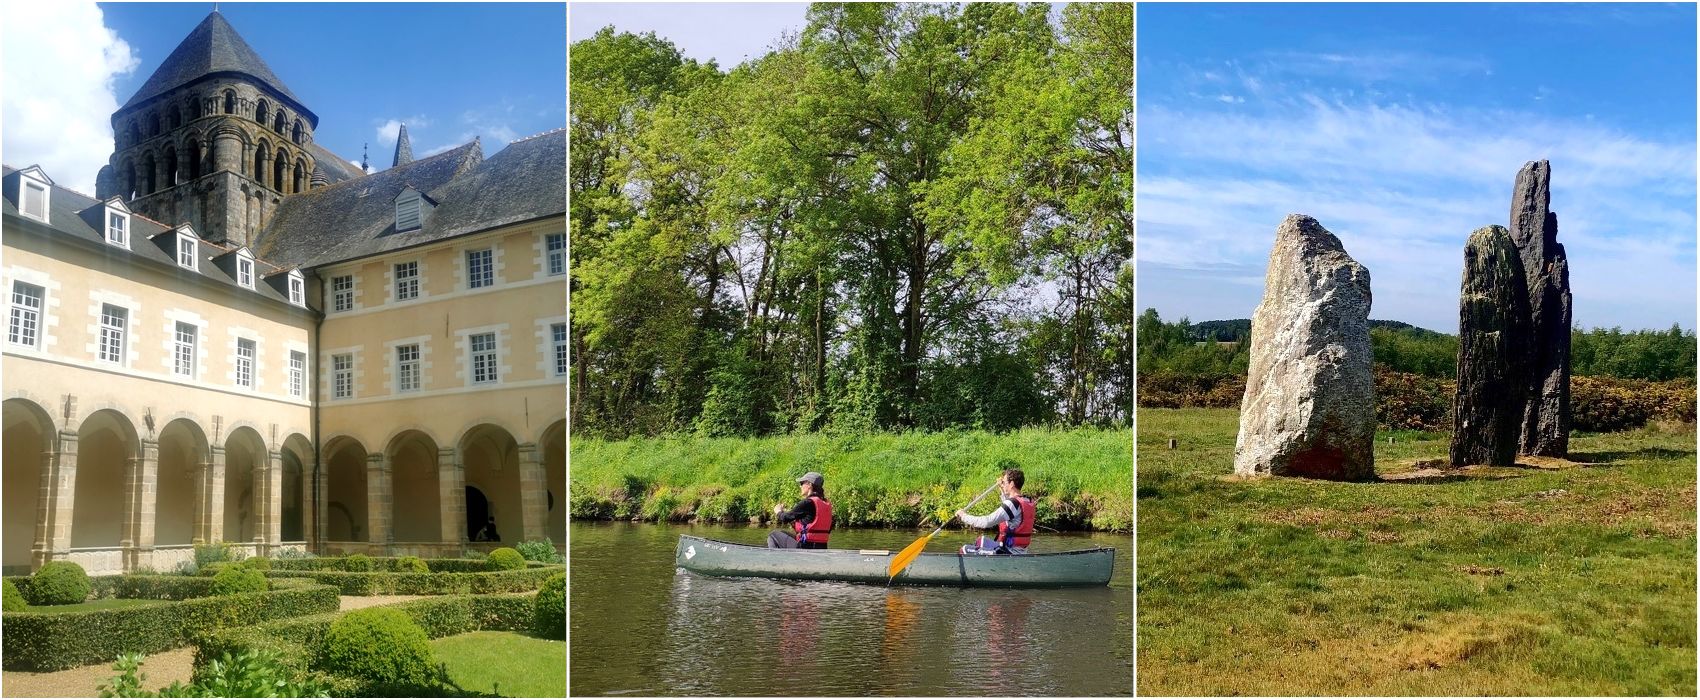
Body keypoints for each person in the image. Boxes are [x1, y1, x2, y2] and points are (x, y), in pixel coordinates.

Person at [956, 468, 1034, 555]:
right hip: (1017, 550)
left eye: (1004, 482)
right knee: (981, 541)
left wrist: (964, 516)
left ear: (1011, 484)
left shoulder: (1012, 504)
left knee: (964, 549)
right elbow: (1010, 510)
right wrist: (1002, 488)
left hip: (1009, 552)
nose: (1002, 484)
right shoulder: (1026, 501)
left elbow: (986, 522)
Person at [767, 471, 833, 549]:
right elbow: (810, 522)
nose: (800, 486)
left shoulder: (807, 502)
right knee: (782, 533)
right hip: (821, 548)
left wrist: (778, 511)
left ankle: (772, 558)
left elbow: (785, 518)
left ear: (809, 485)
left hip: (805, 547)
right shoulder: (825, 504)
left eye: (802, 483)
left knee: (773, 534)